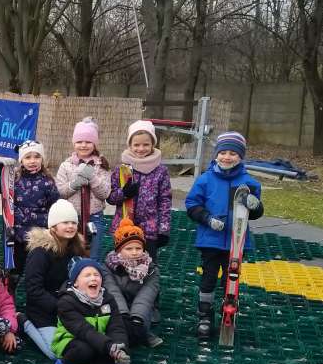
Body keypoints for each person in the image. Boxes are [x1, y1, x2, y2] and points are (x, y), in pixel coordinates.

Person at [185, 131, 264, 339]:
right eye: (223, 153)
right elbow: (192, 204)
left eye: (233, 153)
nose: (227, 157)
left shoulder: (248, 183)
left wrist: (256, 206)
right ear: (216, 154)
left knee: (231, 280)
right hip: (210, 241)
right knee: (209, 277)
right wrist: (207, 218)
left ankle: (228, 312)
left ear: (241, 156)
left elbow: (255, 213)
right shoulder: (205, 180)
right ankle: (204, 315)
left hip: (235, 243)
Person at [0, 139, 59, 284]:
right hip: (16, 235)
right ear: (21, 160)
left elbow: (55, 206)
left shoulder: (47, 182)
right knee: (14, 271)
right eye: (28, 157)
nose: (32, 161)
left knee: (36, 270)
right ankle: (10, 291)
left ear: (42, 159)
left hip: (38, 237)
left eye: (37, 157)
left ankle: (35, 292)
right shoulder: (13, 179)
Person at [22, 199, 88, 364]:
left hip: (69, 308)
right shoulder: (40, 253)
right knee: (55, 352)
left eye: (73, 222)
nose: (70, 226)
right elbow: (33, 289)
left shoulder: (76, 249)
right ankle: (25, 323)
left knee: (85, 340)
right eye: (65, 222)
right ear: (53, 226)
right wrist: (60, 307)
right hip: (43, 311)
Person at [50, 258, 131, 364]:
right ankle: (64, 363)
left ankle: (106, 361)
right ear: (75, 283)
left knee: (119, 342)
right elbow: (84, 330)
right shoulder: (66, 302)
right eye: (87, 275)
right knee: (85, 350)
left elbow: (116, 327)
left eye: (96, 275)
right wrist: (109, 347)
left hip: (99, 340)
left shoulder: (108, 299)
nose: (93, 278)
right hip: (71, 341)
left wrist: (119, 348)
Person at [106, 120, 172, 259]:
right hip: (125, 228)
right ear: (130, 145)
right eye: (136, 145)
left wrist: (163, 229)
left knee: (148, 265)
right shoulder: (122, 169)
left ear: (153, 145)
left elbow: (165, 201)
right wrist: (124, 193)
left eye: (146, 144)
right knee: (123, 264)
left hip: (149, 229)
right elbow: (110, 197)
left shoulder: (160, 171)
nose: (141, 149)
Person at [55, 118, 111, 259]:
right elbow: (60, 192)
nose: (83, 145)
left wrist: (92, 178)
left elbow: (105, 193)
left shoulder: (101, 165)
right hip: (71, 218)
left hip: (95, 217)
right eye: (79, 141)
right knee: (71, 254)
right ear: (74, 143)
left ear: (94, 144)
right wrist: (75, 183)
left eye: (88, 141)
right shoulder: (66, 165)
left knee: (94, 255)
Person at [102, 219, 163, 347]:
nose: (134, 252)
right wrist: (123, 315)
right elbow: (112, 291)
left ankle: (142, 331)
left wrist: (137, 318)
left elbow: (146, 295)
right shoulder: (108, 267)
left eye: (138, 248)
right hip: (117, 307)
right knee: (117, 326)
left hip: (141, 308)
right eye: (129, 248)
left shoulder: (151, 269)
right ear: (119, 250)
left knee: (139, 325)